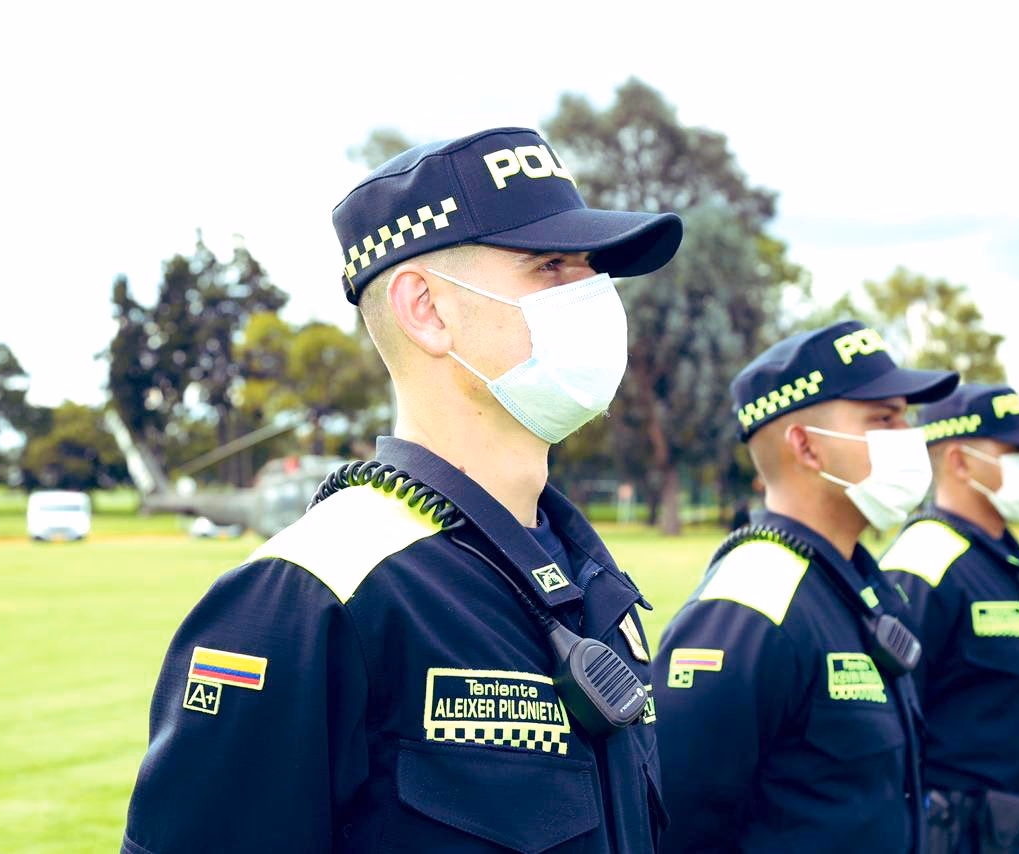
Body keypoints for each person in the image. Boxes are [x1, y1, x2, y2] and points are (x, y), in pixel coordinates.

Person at [120, 127, 684, 853]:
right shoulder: (308, 596)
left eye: (591, 268)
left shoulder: (592, 579)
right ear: (426, 309)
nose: (595, 296)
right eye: (550, 266)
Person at [652, 320, 958, 853]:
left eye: (906, 417)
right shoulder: (750, 605)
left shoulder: (862, 586)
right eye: (884, 419)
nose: (911, 437)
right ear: (808, 447)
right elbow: (680, 825)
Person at [879, 383, 1019, 854]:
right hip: (961, 838)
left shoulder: (1010, 559)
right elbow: (894, 727)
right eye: (1013, 451)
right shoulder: (925, 561)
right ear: (960, 462)